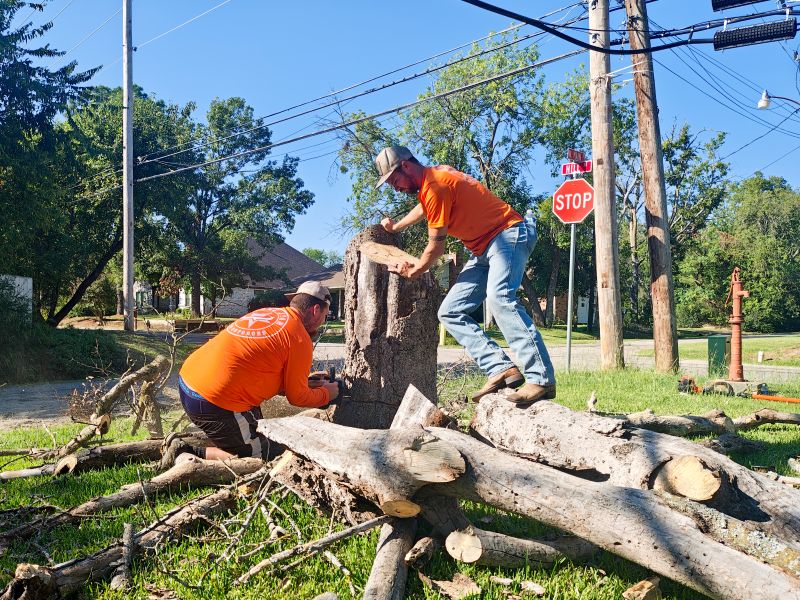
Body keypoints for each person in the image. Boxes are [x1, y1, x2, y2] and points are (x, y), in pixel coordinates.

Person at [375, 145, 555, 404]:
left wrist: (414, 270)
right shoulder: (433, 178)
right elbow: (424, 207)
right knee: (449, 311)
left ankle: (541, 378)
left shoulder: (436, 185)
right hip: (483, 249)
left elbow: (435, 248)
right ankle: (500, 368)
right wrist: (397, 226)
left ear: (405, 166)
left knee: (499, 297)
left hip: (508, 234)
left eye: (394, 180)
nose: (396, 188)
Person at [160, 281, 340, 468]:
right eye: (325, 316)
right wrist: (330, 393)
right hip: (214, 401)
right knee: (261, 457)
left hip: (191, 380)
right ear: (315, 310)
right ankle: (185, 452)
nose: (322, 323)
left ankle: (232, 439)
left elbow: (258, 366)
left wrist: (305, 381)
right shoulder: (299, 337)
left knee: (262, 431)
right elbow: (297, 397)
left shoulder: (267, 313)